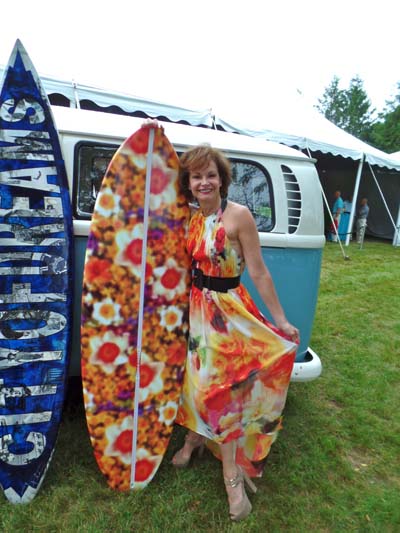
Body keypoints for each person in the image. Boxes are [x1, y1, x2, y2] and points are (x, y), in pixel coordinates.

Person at [165, 139, 299, 521]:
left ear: (222, 180)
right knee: (195, 382)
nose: (204, 182)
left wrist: (281, 320)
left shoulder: (240, 216)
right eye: (196, 177)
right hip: (196, 311)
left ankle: (231, 478)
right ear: (188, 183)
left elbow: (257, 270)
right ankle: (194, 436)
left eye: (211, 175)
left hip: (229, 313)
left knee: (220, 391)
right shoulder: (190, 217)